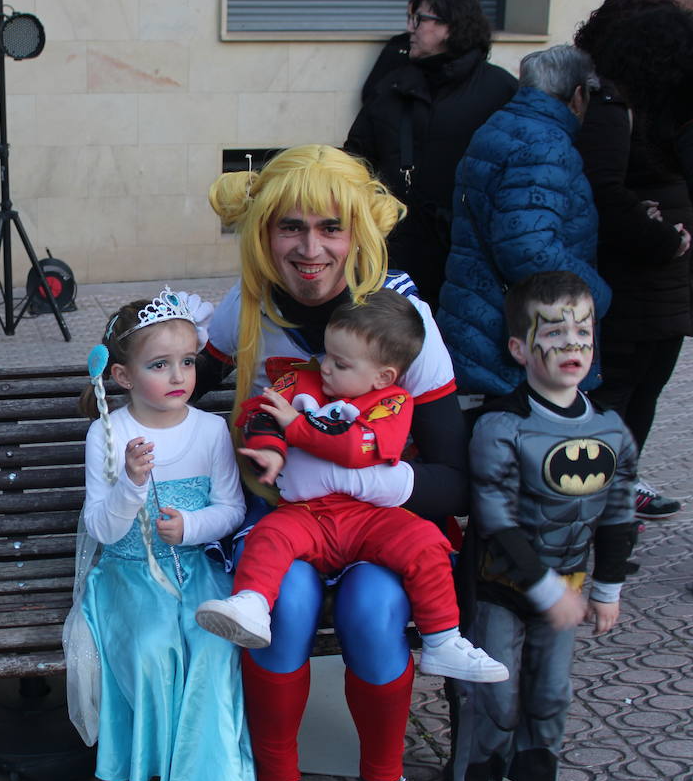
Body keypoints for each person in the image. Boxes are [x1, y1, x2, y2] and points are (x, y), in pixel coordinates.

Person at [202, 144, 471, 781]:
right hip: (283, 517)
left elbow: (453, 473)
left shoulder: (402, 319)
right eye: (291, 227)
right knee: (281, 605)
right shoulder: (250, 302)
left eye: (330, 227)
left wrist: (365, 479)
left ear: (359, 233)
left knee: (374, 609)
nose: (310, 248)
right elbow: (183, 366)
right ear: (264, 232)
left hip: (380, 522)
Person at [194, 291, 506, 685]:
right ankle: (251, 604)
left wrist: (295, 428)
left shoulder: (393, 402)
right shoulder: (305, 378)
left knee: (426, 542)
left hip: (372, 518)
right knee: (269, 535)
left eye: (341, 363)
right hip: (309, 514)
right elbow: (261, 413)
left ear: (382, 376)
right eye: (326, 354)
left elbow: (355, 446)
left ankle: (443, 639)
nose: (325, 368)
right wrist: (271, 449)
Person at [446, 271, 637, 781]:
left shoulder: (611, 430)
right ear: (521, 348)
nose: (574, 346)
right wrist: (546, 586)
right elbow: (497, 520)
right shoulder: (501, 426)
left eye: (584, 332)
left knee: (551, 694)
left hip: (571, 587)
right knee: (494, 695)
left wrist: (606, 586)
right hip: (503, 588)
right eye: (555, 333)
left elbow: (619, 514)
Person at [63, 287, 254, 781]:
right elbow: (101, 528)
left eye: (188, 362)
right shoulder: (109, 433)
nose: (179, 376)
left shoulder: (211, 430)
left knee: (215, 646)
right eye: (160, 365)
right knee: (152, 647)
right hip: (126, 575)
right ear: (122, 376)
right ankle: (171, 766)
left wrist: (191, 528)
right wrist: (132, 484)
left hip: (196, 568)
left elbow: (232, 509)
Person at [572, 0, 693, 523]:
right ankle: (592, 501)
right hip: (635, 276)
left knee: (647, 386)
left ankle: (621, 487)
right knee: (617, 391)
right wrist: (661, 238)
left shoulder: (669, 100)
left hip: (673, 280)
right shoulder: (613, 103)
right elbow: (601, 189)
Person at [438, 45, 609, 398]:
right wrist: (597, 295)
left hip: (479, 317)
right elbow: (530, 250)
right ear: (578, 96)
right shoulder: (546, 144)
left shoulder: (500, 126)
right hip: (513, 335)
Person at [345, 0, 517, 303]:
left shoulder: (500, 89)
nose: (410, 28)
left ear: (452, 26)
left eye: (419, 18)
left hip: (469, 252)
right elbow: (356, 159)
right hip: (396, 248)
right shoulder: (393, 84)